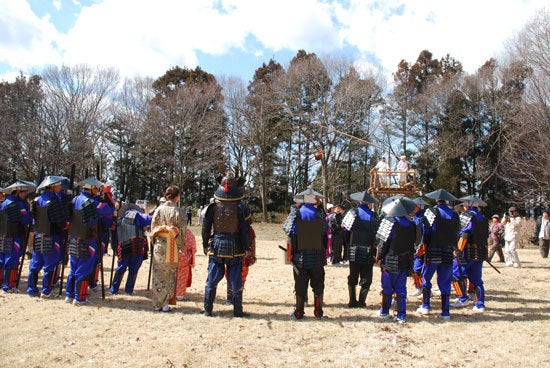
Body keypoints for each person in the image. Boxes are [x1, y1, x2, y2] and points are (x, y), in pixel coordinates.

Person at [202, 169, 252, 317]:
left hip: (216, 245)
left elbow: (206, 228)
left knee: (212, 278)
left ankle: (207, 310)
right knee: (235, 280)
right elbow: (245, 230)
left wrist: (205, 244)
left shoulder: (212, 206)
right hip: (235, 246)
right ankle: (237, 311)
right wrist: (247, 247)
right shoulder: (241, 207)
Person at [283, 187, 328, 320]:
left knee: (300, 285)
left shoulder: (296, 214)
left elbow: (291, 235)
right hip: (317, 256)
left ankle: (299, 312)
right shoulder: (320, 215)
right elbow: (324, 236)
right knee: (318, 284)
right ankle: (318, 311)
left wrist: (291, 254)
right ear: (314, 200)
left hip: (300, 256)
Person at [416, 189, 460, 320]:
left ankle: (426, 306)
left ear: (436, 200)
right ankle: (445, 312)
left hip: (433, 251)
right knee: (445, 282)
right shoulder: (454, 214)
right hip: (447, 252)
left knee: (426, 278)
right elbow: (456, 232)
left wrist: (423, 246)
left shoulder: (431, 212)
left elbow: (426, 231)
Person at [65, 177, 108, 305]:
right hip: (88, 239)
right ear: (91, 188)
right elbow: (107, 210)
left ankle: (69, 295)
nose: (98, 190)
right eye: (96, 188)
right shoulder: (91, 202)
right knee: (84, 269)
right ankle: (80, 298)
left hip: (74, 237)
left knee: (74, 268)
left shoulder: (75, 199)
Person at [375, 195, 416, 322]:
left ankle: (385, 311)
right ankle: (401, 314)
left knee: (387, 287)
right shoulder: (411, 223)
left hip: (390, 259)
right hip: (405, 259)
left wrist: (379, 257)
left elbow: (383, 243)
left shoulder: (389, 222)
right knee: (401, 288)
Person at [27, 176, 68, 298]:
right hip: (52, 236)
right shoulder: (54, 201)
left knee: (35, 263)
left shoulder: (37, 200)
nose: (60, 187)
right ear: (53, 186)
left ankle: (32, 289)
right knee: (50, 264)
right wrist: (65, 225)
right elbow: (58, 220)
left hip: (39, 235)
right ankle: (46, 290)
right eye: (58, 185)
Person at [150, 185, 187, 312]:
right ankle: (165, 303)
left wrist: (154, 239)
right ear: (177, 196)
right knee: (169, 274)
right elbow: (182, 230)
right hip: (172, 244)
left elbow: (153, 227)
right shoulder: (179, 211)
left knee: (158, 273)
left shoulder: (158, 210)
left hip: (159, 244)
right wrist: (181, 245)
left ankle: (156, 303)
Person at [451, 196, 489, 313]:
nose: (463, 207)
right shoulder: (482, 218)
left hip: (467, 251)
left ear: (469, 205)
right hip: (480, 252)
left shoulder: (467, 216)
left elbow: (464, 234)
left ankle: (462, 298)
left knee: (455, 274)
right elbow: (486, 235)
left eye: (464, 205)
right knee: (477, 279)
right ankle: (480, 304)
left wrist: (457, 250)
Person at [341, 191, 379, 308]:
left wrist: (348, 243)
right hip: (369, 250)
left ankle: (352, 301)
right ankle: (361, 301)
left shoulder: (353, 213)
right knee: (367, 276)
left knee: (353, 275)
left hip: (354, 249)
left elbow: (345, 230)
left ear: (358, 201)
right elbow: (377, 234)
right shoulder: (374, 215)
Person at [110, 202, 152, 295]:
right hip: (135, 246)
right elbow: (149, 220)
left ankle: (114, 289)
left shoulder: (118, 219)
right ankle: (128, 290)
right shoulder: (137, 215)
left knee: (121, 268)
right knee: (133, 269)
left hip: (122, 246)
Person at [0, 180, 35, 293]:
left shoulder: (4, 202)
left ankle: (3, 282)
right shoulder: (17, 204)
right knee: (12, 260)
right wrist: (30, 215)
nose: (25, 194)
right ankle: (9, 286)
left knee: (2, 259)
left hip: (4, 235)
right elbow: (25, 219)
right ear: (18, 192)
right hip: (14, 235)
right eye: (24, 192)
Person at [411, 197, 429, 298]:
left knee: (419, 269)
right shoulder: (415, 217)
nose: (413, 208)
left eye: (415, 206)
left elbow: (424, 234)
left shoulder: (423, 218)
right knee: (415, 269)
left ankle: (422, 288)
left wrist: (421, 246)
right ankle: (418, 287)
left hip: (422, 248)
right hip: (415, 246)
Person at [175, 227, 197, 301]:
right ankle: (179, 295)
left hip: (169, 254)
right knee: (182, 275)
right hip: (183, 255)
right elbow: (192, 245)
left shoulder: (168, 229)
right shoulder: (186, 231)